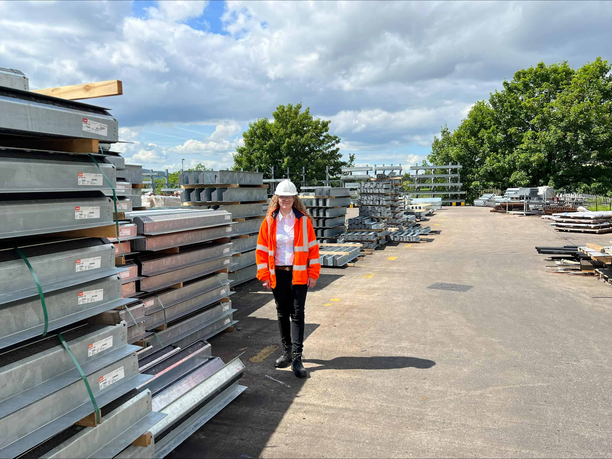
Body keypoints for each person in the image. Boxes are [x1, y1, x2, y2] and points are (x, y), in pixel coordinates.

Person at [256, 179, 320, 378]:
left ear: (294, 198)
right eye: (282, 197)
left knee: (297, 314)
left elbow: (312, 249)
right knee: (282, 312)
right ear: (277, 198)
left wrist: (313, 273)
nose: (285, 200)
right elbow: (261, 250)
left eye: (289, 197)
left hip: (298, 273)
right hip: (278, 273)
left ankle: (297, 358)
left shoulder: (303, 220)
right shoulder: (269, 222)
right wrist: (264, 275)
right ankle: (286, 352)